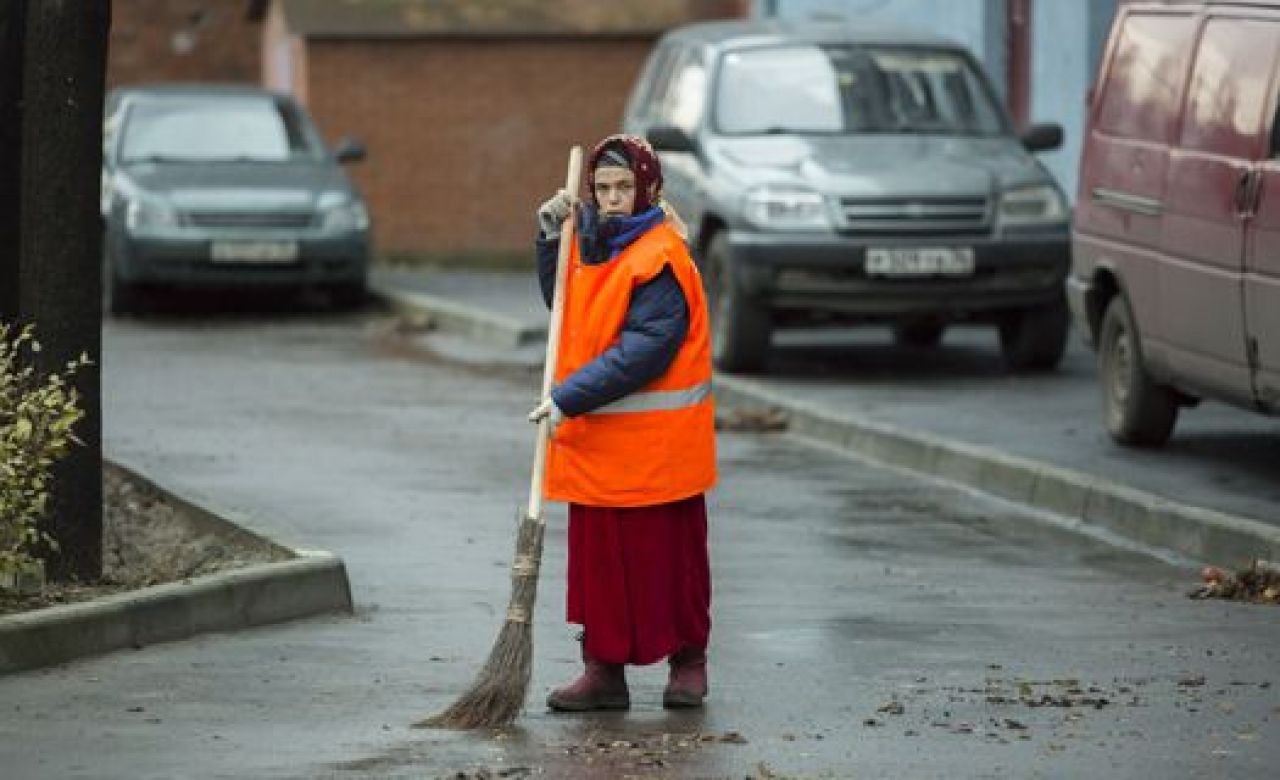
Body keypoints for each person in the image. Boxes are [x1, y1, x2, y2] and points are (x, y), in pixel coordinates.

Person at [528, 134, 717, 711]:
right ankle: (603, 672)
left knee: (670, 567)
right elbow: (564, 310)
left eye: (623, 188)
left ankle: (688, 664)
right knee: (601, 572)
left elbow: (647, 350)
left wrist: (567, 397)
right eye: (603, 189)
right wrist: (547, 240)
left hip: (657, 453)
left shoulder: (661, 256)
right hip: (599, 446)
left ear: (648, 189)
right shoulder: (593, 245)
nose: (612, 199)